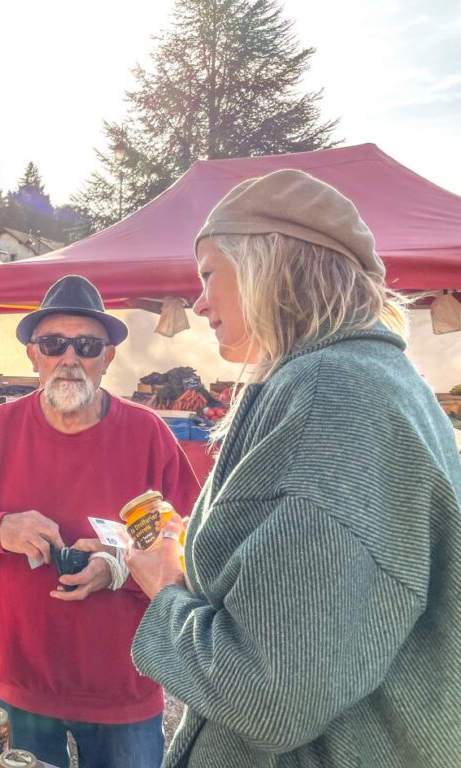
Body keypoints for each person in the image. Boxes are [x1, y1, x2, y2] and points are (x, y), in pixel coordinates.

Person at [126, 169, 461, 767]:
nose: (199, 302)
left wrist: (167, 588)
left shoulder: (331, 394)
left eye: (208, 274)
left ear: (267, 262)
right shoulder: (371, 378)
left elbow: (269, 696)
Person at [0, 275, 201, 768]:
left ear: (108, 358)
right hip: (18, 686)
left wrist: (119, 568)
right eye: (54, 344)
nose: (69, 358)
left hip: (122, 689)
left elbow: (195, 549)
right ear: (34, 356)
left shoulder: (148, 435)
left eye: (87, 346)